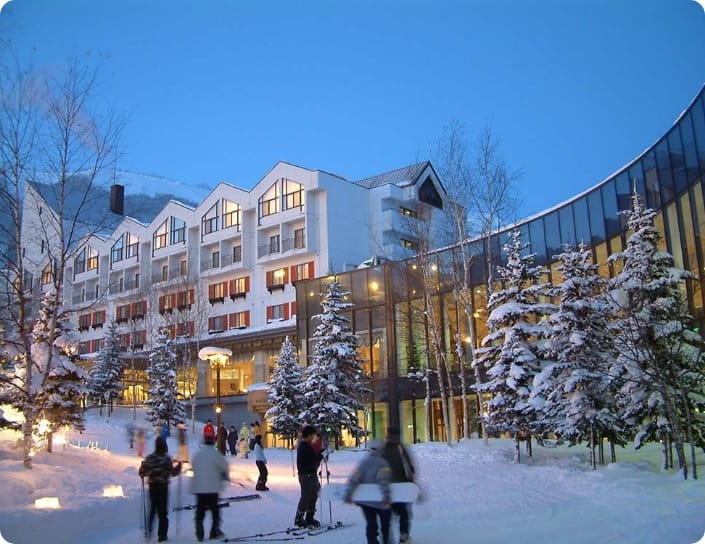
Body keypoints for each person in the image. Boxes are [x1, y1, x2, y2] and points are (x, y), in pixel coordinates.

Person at [344, 438, 392, 544]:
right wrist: (386, 495)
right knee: (385, 526)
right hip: (381, 502)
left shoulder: (364, 462)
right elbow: (383, 480)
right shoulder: (383, 463)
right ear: (381, 450)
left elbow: (355, 478)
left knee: (371, 524)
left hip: (366, 502)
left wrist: (349, 493)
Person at [138, 436, 182, 542]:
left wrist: (143, 467)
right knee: (162, 512)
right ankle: (162, 535)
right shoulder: (166, 459)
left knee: (152, 509)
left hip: (153, 487)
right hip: (163, 487)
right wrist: (179, 467)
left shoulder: (150, 458)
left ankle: (149, 530)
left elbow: (142, 473)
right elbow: (173, 473)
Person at [190, 434, 230, 542]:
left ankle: (199, 530)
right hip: (213, 487)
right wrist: (225, 476)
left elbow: (192, 469)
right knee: (214, 511)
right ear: (213, 443)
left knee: (200, 510)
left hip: (199, 487)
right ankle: (214, 531)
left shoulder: (197, 455)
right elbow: (225, 466)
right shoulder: (216, 455)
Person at [381, 427, 416, 544]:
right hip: (402, 485)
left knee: (387, 513)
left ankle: (387, 538)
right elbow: (409, 465)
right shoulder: (400, 447)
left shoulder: (383, 449)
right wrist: (411, 479)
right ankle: (404, 534)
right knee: (404, 512)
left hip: (388, 486)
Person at [294, 424, 324, 528]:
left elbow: (313, 457)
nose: (314, 437)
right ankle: (299, 518)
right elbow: (311, 459)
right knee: (306, 496)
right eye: (313, 435)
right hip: (306, 475)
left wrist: (320, 453)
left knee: (314, 494)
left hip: (311, 474)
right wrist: (320, 455)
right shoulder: (304, 446)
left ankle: (309, 517)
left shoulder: (307, 446)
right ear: (309, 435)